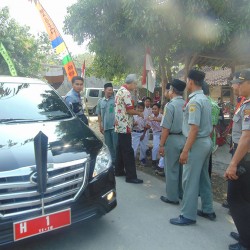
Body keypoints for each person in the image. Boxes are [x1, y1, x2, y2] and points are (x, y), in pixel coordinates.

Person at [170, 69, 215, 226]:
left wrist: (185, 150)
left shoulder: (195, 101)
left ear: (190, 81)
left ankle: (187, 215)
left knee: (189, 179)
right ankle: (208, 209)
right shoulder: (204, 98)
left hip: (196, 143)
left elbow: (194, 128)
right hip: (205, 142)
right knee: (203, 177)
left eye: (187, 80)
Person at [224, 69, 250, 250]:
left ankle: (245, 241)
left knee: (235, 199)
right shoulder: (245, 103)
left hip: (244, 159)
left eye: (241, 83)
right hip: (244, 157)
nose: (237, 86)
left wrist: (233, 164)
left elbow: (247, 137)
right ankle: (244, 232)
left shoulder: (249, 106)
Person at [159, 79, 186, 205]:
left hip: (172, 139)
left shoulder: (170, 106)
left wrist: (161, 145)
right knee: (181, 169)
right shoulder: (187, 104)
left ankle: (172, 197)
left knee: (171, 169)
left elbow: (166, 128)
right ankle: (181, 193)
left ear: (172, 91)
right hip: (185, 139)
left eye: (169, 89)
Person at [114, 74, 144, 184]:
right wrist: (139, 113)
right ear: (131, 83)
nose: (136, 86)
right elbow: (130, 110)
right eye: (135, 84)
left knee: (120, 149)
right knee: (128, 151)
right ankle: (131, 176)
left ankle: (119, 170)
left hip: (120, 124)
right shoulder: (126, 93)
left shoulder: (120, 90)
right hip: (125, 125)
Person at [96, 82, 117, 166]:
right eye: (109, 90)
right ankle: (111, 162)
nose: (110, 91)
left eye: (111, 90)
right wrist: (100, 125)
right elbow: (99, 114)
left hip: (114, 127)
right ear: (104, 90)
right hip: (105, 128)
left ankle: (117, 163)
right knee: (108, 146)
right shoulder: (100, 101)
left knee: (116, 145)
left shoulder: (115, 100)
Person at [202, 81, 220, 178]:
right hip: (206, 142)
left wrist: (206, 144)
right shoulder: (211, 103)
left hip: (205, 141)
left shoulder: (210, 104)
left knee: (205, 167)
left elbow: (211, 128)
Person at [148, 103, 162, 168]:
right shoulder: (150, 116)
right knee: (155, 147)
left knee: (162, 148)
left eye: (155, 109)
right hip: (156, 133)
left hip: (163, 133)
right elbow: (149, 125)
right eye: (153, 109)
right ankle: (153, 161)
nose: (154, 110)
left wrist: (154, 119)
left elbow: (163, 120)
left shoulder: (162, 116)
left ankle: (161, 163)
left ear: (159, 109)